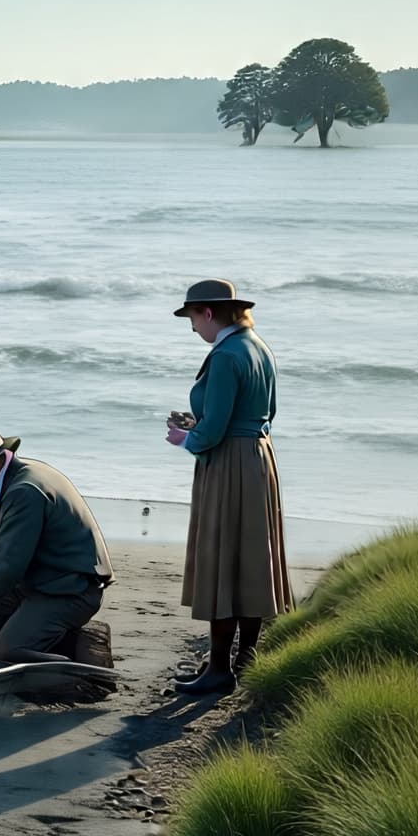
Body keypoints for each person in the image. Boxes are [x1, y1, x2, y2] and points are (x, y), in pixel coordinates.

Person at [165, 279, 293, 694]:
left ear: (208, 313)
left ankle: (219, 669)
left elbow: (215, 430)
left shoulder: (224, 356)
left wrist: (185, 438)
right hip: (259, 460)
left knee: (222, 562)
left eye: (192, 318)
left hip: (228, 465)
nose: (192, 328)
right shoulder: (259, 347)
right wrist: (200, 425)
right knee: (250, 561)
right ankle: (245, 661)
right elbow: (265, 412)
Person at [0, 427, 114, 662]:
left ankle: (75, 664)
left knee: (8, 651)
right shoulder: (19, 478)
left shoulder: (23, 491)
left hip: (70, 591)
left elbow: (8, 566)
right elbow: (12, 559)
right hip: (42, 579)